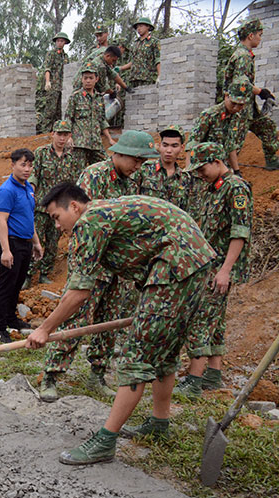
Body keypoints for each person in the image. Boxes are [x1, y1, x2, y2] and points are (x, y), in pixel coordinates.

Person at [27, 184, 215, 464]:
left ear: (74, 207)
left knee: (135, 356)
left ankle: (105, 441)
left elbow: (79, 292)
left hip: (175, 266)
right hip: (193, 262)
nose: (56, 226)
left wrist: (45, 329)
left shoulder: (89, 222)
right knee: (164, 349)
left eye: (56, 217)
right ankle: (159, 424)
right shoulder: (105, 211)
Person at [39, 131, 157, 402]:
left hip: (118, 264)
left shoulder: (135, 179)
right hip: (91, 262)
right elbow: (82, 222)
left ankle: (97, 373)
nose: (138, 166)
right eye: (136, 160)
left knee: (110, 320)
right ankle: (51, 374)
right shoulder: (94, 175)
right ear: (120, 153)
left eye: (142, 162)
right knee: (75, 316)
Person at [172, 143, 252, 401]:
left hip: (219, 268)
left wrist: (225, 270)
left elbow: (240, 232)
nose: (200, 174)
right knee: (215, 319)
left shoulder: (235, 188)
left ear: (217, 161)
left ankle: (194, 381)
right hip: (209, 265)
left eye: (202, 168)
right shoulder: (215, 187)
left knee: (200, 319)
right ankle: (213, 375)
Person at [0, 148, 43, 342]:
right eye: (23, 165)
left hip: (25, 243)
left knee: (17, 283)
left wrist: (36, 243)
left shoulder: (28, 188)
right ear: (13, 165)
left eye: (30, 165)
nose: (27, 169)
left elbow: (28, 218)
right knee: (6, 286)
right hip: (11, 243)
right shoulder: (7, 190)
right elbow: (1, 221)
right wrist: (6, 250)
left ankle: (11, 318)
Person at [27, 119, 80, 286]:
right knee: (35, 239)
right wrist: (30, 194)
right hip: (41, 206)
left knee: (52, 243)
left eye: (65, 135)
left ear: (69, 136)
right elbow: (34, 176)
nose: (62, 138)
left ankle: (44, 273)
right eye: (59, 134)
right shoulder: (41, 153)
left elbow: (73, 183)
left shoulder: (71, 158)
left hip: (59, 209)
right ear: (53, 134)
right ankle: (28, 274)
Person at [224, 18, 279, 170]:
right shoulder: (243, 56)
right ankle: (224, 174)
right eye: (259, 35)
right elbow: (240, 82)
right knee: (235, 143)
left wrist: (261, 94)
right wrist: (261, 92)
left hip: (248, 107)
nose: (260, 38)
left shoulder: (244, 54)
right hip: (238, 107)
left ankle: (271, 160)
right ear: (250, 36)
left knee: (267, 127)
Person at [187, 79, 250, 176]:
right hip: (205, 168)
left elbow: (231, 146)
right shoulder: (209, 115)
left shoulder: (236, 118)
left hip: (222, 167)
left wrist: (237, 171)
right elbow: (192, 144)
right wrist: (189, 173)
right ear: (226, 96)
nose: (236, 108)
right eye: (233, 103)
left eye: (241, 105)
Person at [65, 63, 115, 170]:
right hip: (79, 144)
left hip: (96, 143)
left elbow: (102, 121)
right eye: (85, 78)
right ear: (81, 79)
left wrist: (110, 139)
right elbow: (68, 118)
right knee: (77, 172)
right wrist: (69, 137)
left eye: (91, 78)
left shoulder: (99, 98)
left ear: (96, 79)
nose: (88, 81)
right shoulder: (75, 97)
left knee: (106, 168)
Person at [131, 125, 190, 210]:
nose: (169, 150)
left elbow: (185, 211)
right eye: (165, 145)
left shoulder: (184, 179)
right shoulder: (144, 170)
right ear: (159, 146)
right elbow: (131, 199)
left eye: (174, 146)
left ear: (182, 148)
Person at [36, 32, 71, 134]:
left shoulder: (65, 57)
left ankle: (57, 132)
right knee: (50, 111)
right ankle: (46, 132)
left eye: (62, 41)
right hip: (53, 86)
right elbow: (47, 69)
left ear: (65, 42)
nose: (60, 43)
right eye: (58, 41)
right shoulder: (51, 54)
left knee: (59, 112)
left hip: (62, 87)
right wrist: (47, 82)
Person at [120, 17, 161, 87]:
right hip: (133, 79)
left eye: (141, 26)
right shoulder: (135, 43)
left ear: (148, 27)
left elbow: (158, 59)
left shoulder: (154, 42)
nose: (138, 29)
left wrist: (160, 76)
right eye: (137, 27)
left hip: (147, 79)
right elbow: (132, 62)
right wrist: (120, 68)